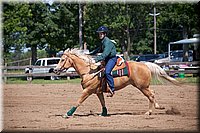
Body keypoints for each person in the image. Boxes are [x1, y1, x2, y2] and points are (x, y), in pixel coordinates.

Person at [89, 26, 117, 97]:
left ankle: (112, 89)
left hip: (111, 59)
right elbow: (98, 49)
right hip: (107, 59)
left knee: (107, 72)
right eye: (99, 34)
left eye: (101, 34)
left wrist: (95, 59)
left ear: (105, 34)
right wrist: (90, 54)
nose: (100, 35)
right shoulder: (103, 41)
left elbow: (105, 54)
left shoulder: (107, 42)